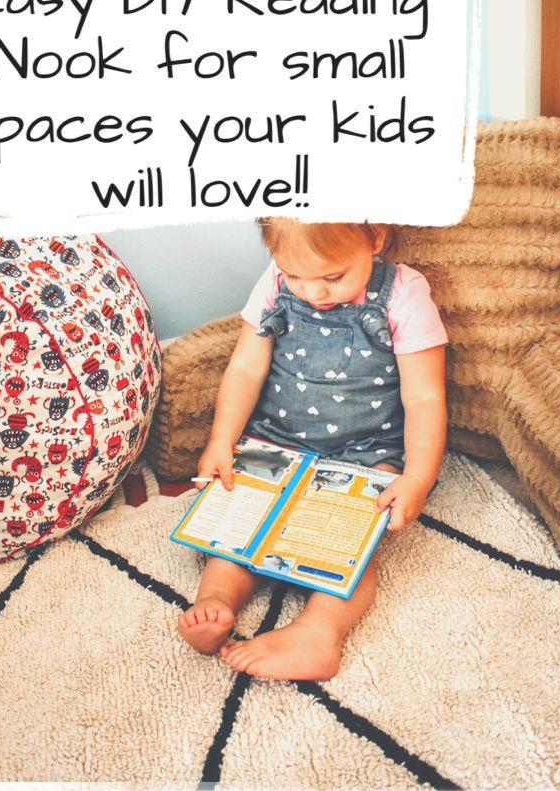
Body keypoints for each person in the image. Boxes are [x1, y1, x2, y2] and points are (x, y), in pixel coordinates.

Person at [178, 218, 447, 680]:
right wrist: (222, 442)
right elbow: (245, 367)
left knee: (342, 545)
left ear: (375, 239)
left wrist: (417, 478)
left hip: (365, 451)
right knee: (237, 521)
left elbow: (424, 396)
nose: (312, 293)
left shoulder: (403, 293)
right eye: (294, 275)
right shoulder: (277, 283)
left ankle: (319, 633)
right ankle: (217, 601)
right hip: (274, 439)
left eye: (331, 277)